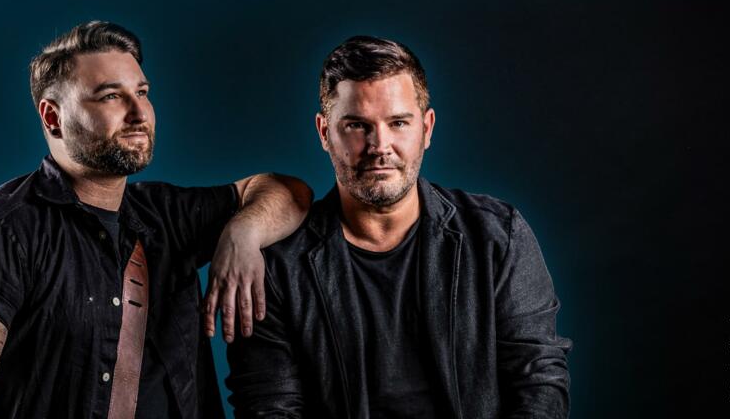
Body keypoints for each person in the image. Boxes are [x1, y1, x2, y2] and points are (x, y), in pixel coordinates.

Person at [0, 21, 311, 419]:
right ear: (52, 117)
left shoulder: (165, 216)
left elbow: (289, 192)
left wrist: (244, 231)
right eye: (110, 97)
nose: (138, 113)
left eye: (142, 93)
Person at [225, 35, 572, 418]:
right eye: (357, 125)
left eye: (398, 123)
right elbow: (269, 406)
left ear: (427, 128)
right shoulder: (278, 268)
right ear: (325, 132)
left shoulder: (496, 236)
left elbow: (537, 382)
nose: (380, 145)